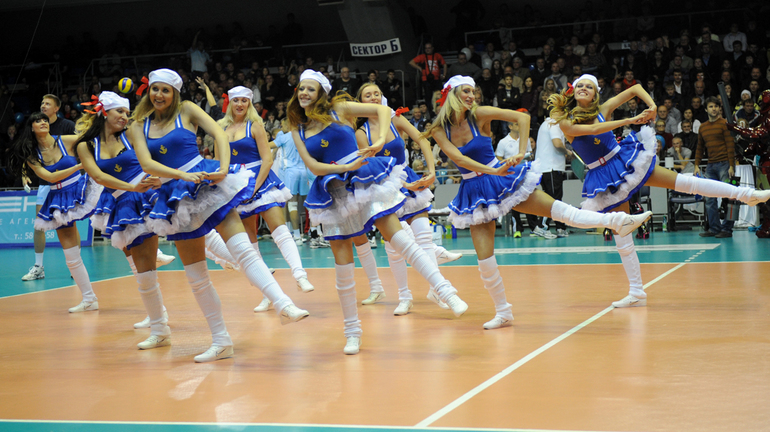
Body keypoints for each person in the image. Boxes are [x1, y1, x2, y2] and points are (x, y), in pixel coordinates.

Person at [426, 76, 653, 327]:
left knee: (560, 212)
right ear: (452, 95)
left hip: (504, 179)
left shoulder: (478, 114)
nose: (472, 96)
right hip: (475, 191)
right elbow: (460, 159)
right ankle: (503, 312)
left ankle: (617, 221)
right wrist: (493, 171)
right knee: (484, 260)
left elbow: (522, 118)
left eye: (473, 91)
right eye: (466, 91)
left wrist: (521, 152)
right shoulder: (439, 130)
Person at [128, 69, 309, 363]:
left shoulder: (187, 109)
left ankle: (283, 304)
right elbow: (147, 163)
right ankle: (221, 340)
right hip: (174, 196)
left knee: (243, 249)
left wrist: (223, 167)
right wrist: (180, 175)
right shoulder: (138, 125)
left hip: (207, 183)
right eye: (155, 89)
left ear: (175, 94)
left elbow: (218, 134)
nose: (159, 95)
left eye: (165, 90)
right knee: (197, 276)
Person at [548, 75, 770, 308]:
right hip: (604, 177)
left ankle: (746, 195)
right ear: (573, 91)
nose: (583, 88)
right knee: (621, 233)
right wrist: (630, 120)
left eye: (589, 86)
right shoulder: (564, 121)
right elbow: (592, 129)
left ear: (595, 94)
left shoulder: (604, 109)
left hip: (625, 160)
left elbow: (635, 87)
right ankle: (636, 292)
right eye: (580, 85)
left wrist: (652, 106)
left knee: (685, 182)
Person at [289, 70, 468, 354]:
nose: (304, 93)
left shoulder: (339, 109)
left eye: (310, 89)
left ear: (321, 93)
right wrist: (343, 168)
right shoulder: (297, 129)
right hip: (333, 189)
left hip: (364, 179)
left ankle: (446, 291)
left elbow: (383, 110)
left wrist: (380, 139)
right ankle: (352, 332)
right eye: (301, 88)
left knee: (400, 239)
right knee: (343, 266)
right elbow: (312, 166)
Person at [75, 91, 174, 349]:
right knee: (143, 269)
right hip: (125, 202)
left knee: (196, 232)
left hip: (150, 194)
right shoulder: (86, 146)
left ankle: (241, 263)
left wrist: (167, 177)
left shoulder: (131, 134)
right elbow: (98, 177)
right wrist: (132, 188)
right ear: (103, 112)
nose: (124, 116)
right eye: (119, 111)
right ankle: (159, 327)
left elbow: (153, 157)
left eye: (127, 112)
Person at [354, 83, 462, 315]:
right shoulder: (361, 133)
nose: (373, 97)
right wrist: (399, 185)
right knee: (394, 248)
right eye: (368, 95)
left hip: (408, 178)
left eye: (377, 93)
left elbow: (423, 141)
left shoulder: (396, 120)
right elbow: (369, 167)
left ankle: (436, 288)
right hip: (383, 186)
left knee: (423, 234)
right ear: (360, 102)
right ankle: (405, 296)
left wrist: (431, 172)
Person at [218, 86, 314, 310]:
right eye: (236, 100)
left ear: (249, 103)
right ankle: (267, 294)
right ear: (230, 103)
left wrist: (254, 188)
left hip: (260, 180)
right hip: (235, 185)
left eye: (244, 101)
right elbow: (219, 161)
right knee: (250, 243)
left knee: (279, 229)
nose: (240, 104)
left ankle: (299, 274)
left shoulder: (255, 125)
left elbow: (267, 159)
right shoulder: (221, 129)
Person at [8, 112, 102, 312]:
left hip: (81, 188)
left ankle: (154, 252)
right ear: (31, 127)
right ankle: (89, 299)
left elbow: (91, 139)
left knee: (114, 221)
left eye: (44, 119)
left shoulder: (65, 140)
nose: (43, 122)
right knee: (71, 255)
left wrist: (99, 117)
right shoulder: (32, 154)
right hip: (58, 198)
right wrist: (80, 165)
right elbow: (50, 178)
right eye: (37, 121)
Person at [694, 97, 745, 238]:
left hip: (725, 164)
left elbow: (730, 145)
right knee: (709, 199)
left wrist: (731, 165)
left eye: (716, 106)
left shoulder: (725, 124)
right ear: (706, 109)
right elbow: (700, 147)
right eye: (711, 106)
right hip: (710, 166)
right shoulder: (703, 127)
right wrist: (696, 165)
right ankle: (714, 229)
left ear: (719, 109)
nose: (714, 109)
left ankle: (727, 229)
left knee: (730, 197)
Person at [534, 116, 571, 237]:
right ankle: (541, 226)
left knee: (556, 199)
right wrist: (568, 152)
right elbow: (557, 144)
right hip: (551, 167)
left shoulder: (546, 123)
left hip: (547, 168)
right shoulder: (554, 124)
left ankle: (560, 227)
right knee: (553, 200)